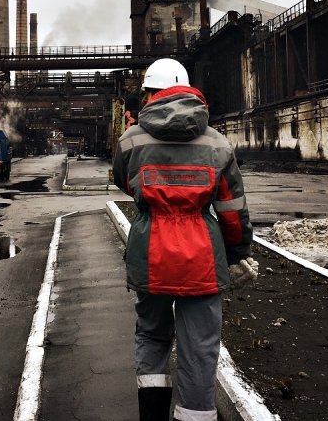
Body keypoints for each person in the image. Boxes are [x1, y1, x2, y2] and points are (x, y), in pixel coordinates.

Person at [112, 57, 257, 421]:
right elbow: (231, 208)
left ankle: (153, 415)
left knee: (152, 336)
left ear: (150, 93)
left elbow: (124, 183)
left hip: (151, 252)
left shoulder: (131, 140)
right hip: (202, 259)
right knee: (200, 347)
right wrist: (237, 252)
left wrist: (154, 202)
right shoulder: (217, 143)